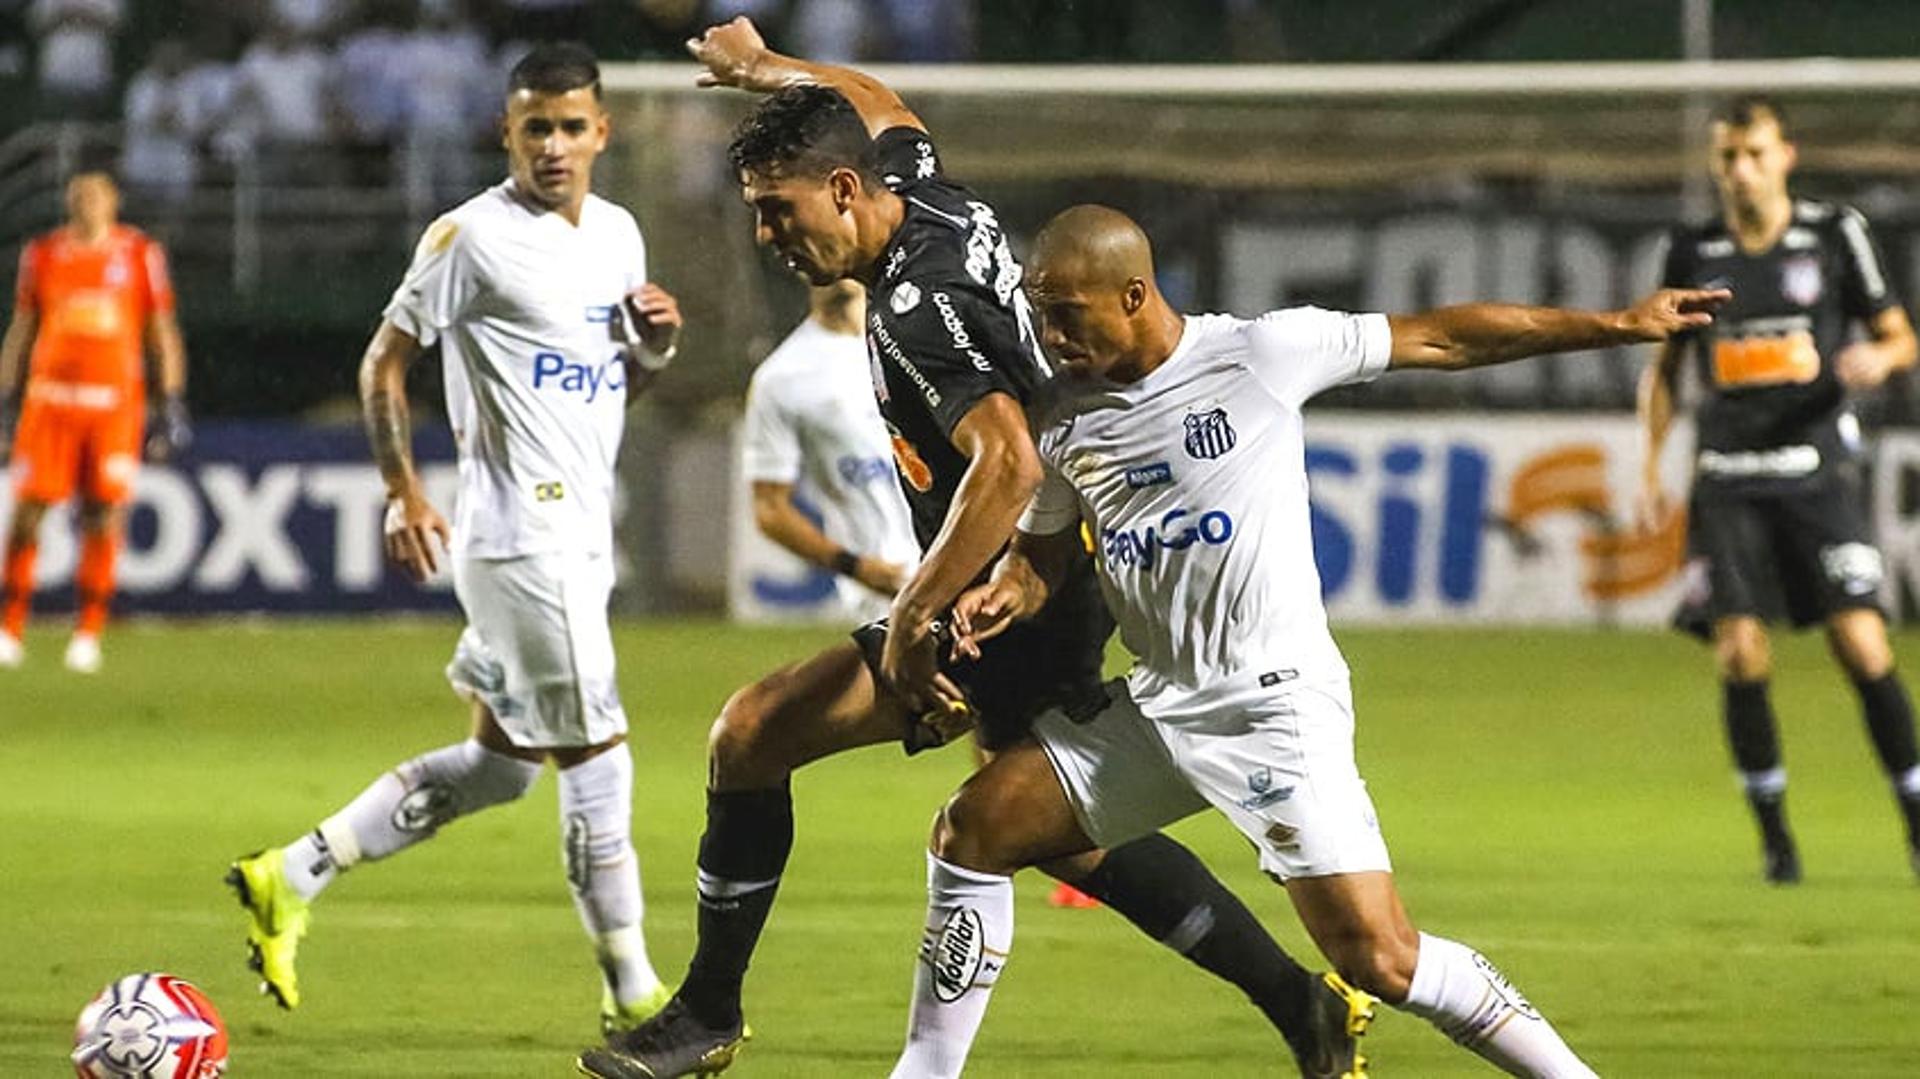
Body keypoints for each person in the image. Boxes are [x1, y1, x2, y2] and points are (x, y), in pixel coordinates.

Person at [581, 19, 1375, 1079]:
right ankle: (1301, 1002)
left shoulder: (918, 305)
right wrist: (768, 72)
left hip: (1013, 584)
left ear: (848, 194)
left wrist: (919, 616)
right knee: (1056, 823)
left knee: (752, 733)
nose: (771, 236)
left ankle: (707, 1012)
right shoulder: (933, 196)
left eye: (781, 211)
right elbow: (879, 102)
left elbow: (1007, 462)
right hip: (1057, 571)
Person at [891, 204, 1728, 1078]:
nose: (1050, 334)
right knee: (975, 826)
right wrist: (1003, 596)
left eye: (1068, 312)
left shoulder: (1258, 354)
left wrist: (1618, 324)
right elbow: (1040, 559)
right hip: (1162, 702)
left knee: (1384, 958)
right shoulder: (1062, 419)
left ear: (1135, 293)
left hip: (1271, 702)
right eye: (1040, 311)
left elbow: (1444, 337)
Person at [224, 44, 685, 1036]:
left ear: (602, 131)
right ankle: (634, 993)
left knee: (504, 764)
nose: (554, 145)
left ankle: (290, 871)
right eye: (535, 128)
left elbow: (607, 393)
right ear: (506, 133)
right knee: (598, 761)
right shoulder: (469, 237)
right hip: (524, 537)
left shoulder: (618, 235)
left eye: (571, 127)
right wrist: (401, 490)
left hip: (577, 533)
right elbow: (383, 362)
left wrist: (653, 350)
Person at [1638, 95, 1920, 885]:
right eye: (1727, 156)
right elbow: (1663, 367)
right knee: (1738, 651)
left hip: (1818, 472)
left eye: (1755, 153)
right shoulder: (1692, 248)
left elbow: (1900, 333)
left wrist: (1883, 359)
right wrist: (1652, 464)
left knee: (1862, 644)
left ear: (1785, 156)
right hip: (1728, 478)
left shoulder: (1835, 234)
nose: (1740, 170)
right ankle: (1777, 843)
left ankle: (1915, 817)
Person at [0, 171, 190, 673]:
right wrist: (6, 397)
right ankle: (10, 626)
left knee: (103, 513)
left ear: (113, 201)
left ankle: (87, 631)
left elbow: (160, 330)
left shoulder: (137, 255)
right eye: (78, 196)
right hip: (51, 401)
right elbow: (22, 329)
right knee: (28, 512)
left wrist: (170, 399)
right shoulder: (42, 254)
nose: (86, 203)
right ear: (68, 202)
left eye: (95, 195)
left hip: (112, 405)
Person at [741, 278, 915, 622]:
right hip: (886, 593)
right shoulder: (781, 377)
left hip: (959, 568)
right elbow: (770, 509)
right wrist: (857, 568)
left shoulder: (915, 335)